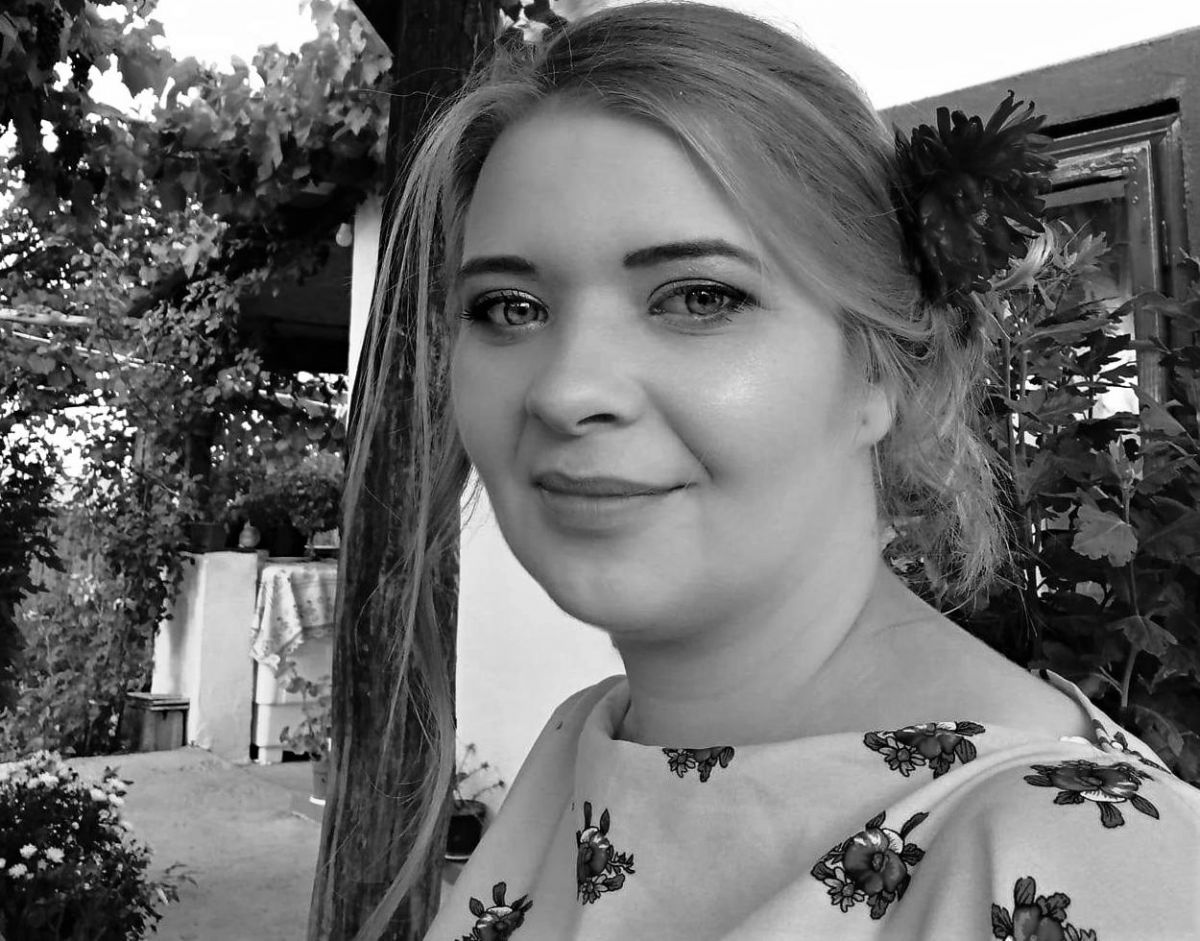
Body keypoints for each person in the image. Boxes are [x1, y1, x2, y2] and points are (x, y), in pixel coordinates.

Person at [342, 3, 1200, 938]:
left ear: (881, 371)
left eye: (699, 296)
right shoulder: (588, 739)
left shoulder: (1087, 864)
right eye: (509, 306)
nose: (565, 389)